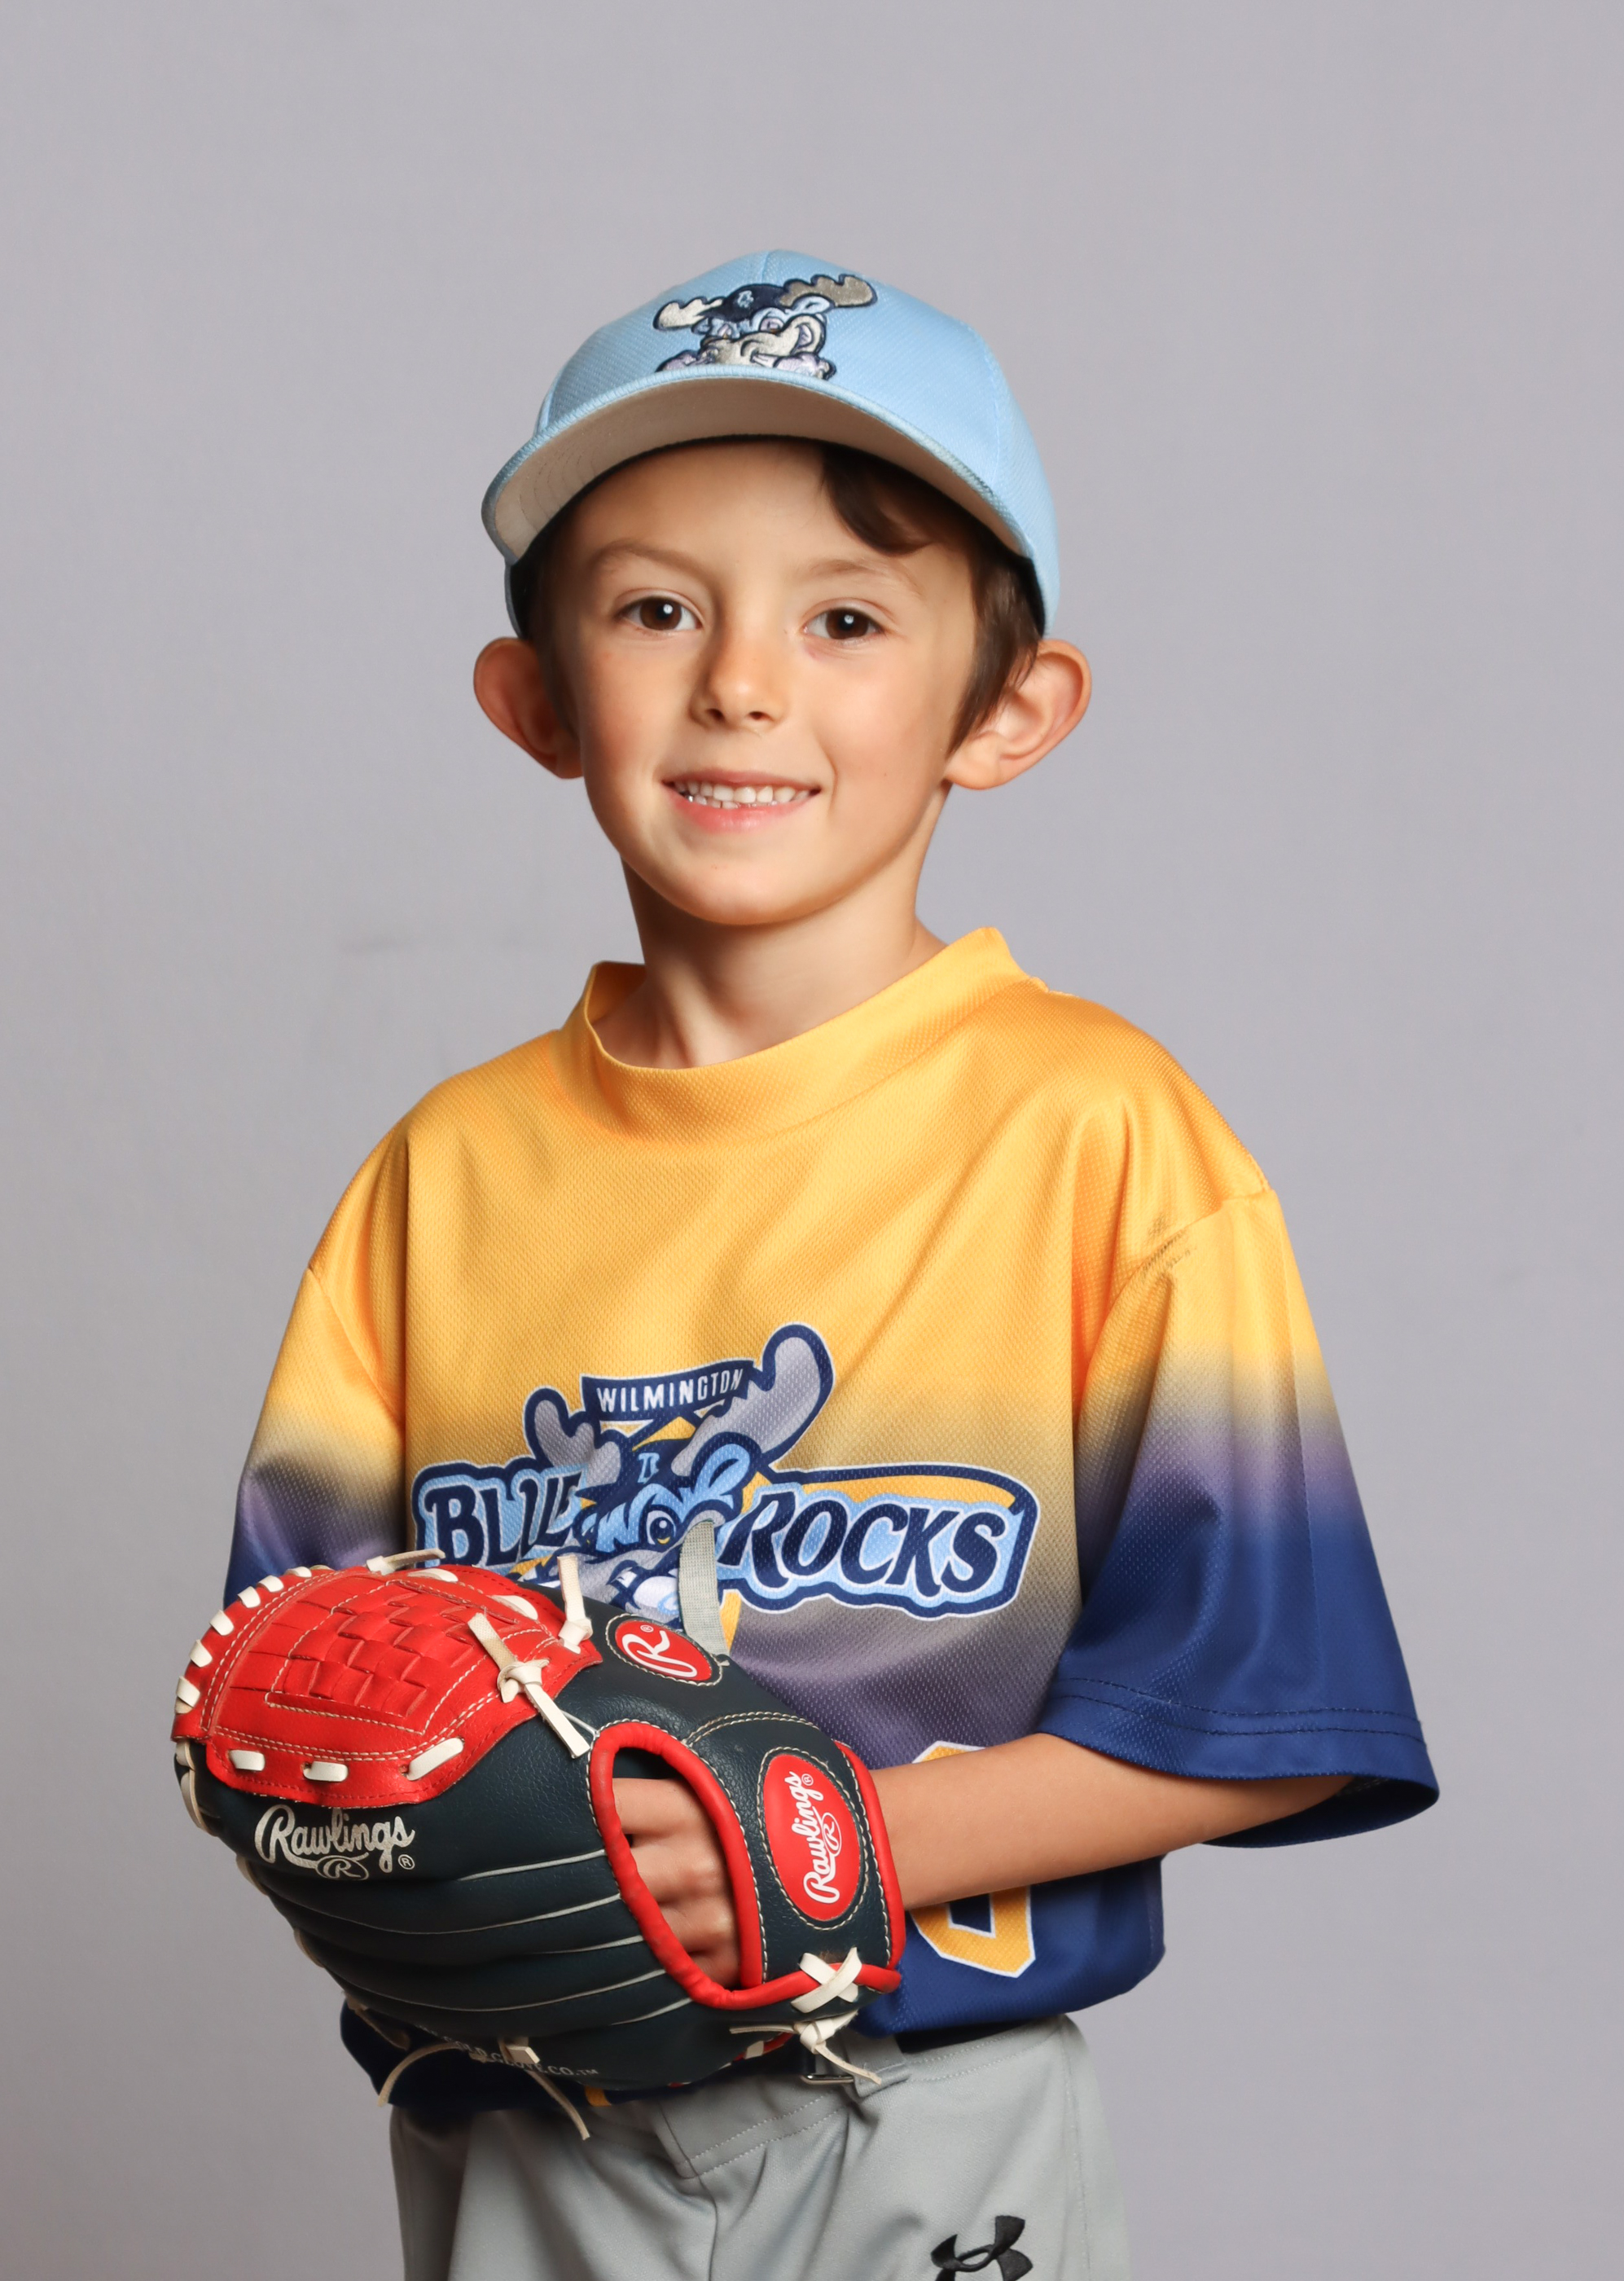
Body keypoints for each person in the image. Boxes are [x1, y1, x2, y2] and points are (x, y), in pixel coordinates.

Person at [223, 253, 1437, 2281]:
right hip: (524, 2104)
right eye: (655, 608)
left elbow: (1265, 1700)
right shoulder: (441, 1178)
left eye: (846, 618)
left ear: (1006, 710)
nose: (741, 684)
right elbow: (288, 1702)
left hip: (930, 2100)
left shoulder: (1096, 1132)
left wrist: (831, 1842)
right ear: (536, 698)